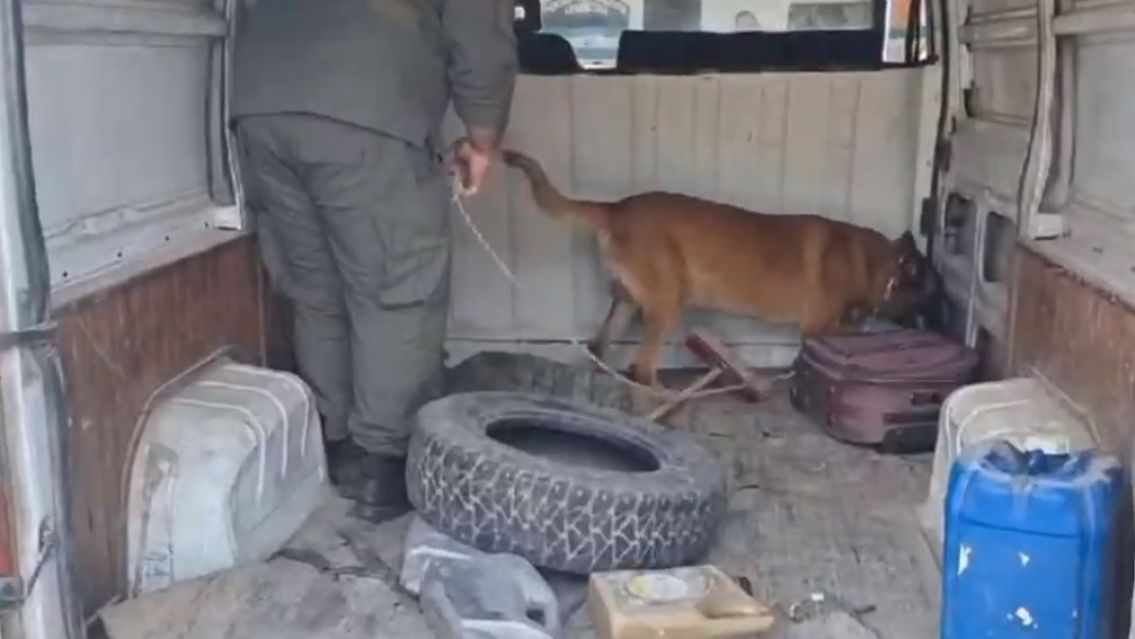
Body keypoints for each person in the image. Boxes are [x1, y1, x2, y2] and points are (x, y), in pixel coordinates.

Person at [230, 0, 518, 522]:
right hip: (365, 109)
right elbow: (479, 25)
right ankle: (384, 462)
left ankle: (336, 444)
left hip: (260, 107)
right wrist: (482, 133)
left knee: (317, 287)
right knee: (399, 285)